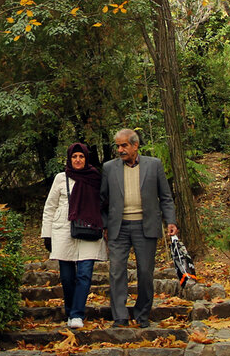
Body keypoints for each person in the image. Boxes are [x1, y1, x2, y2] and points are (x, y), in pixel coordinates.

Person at [100, 128, 177, 328]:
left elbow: (166, 197)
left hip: (146, 226)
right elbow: (102, 200)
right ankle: (119, 316)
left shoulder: (154, 165)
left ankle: (142, 314)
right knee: (116, 271)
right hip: (119, 228)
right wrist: (105, 224)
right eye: (117, 146)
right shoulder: (109, 168)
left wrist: (171, 221)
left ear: (135, 145)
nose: (120, 150)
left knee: (145, 272)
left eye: (124, 145)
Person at [41, 142, 107, 329]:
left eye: (81, 157)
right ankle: (70, 310)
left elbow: (104, 204)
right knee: (67, 277)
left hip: (89, 230)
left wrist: (105, 226)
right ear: (70, 159)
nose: (78, 160)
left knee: (85, 274)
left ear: (87, 158)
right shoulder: (61, 178)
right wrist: (47, 235)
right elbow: (50, 207)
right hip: (64, 231)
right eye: (74, 157)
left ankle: (77, 314)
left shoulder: (95, 178)